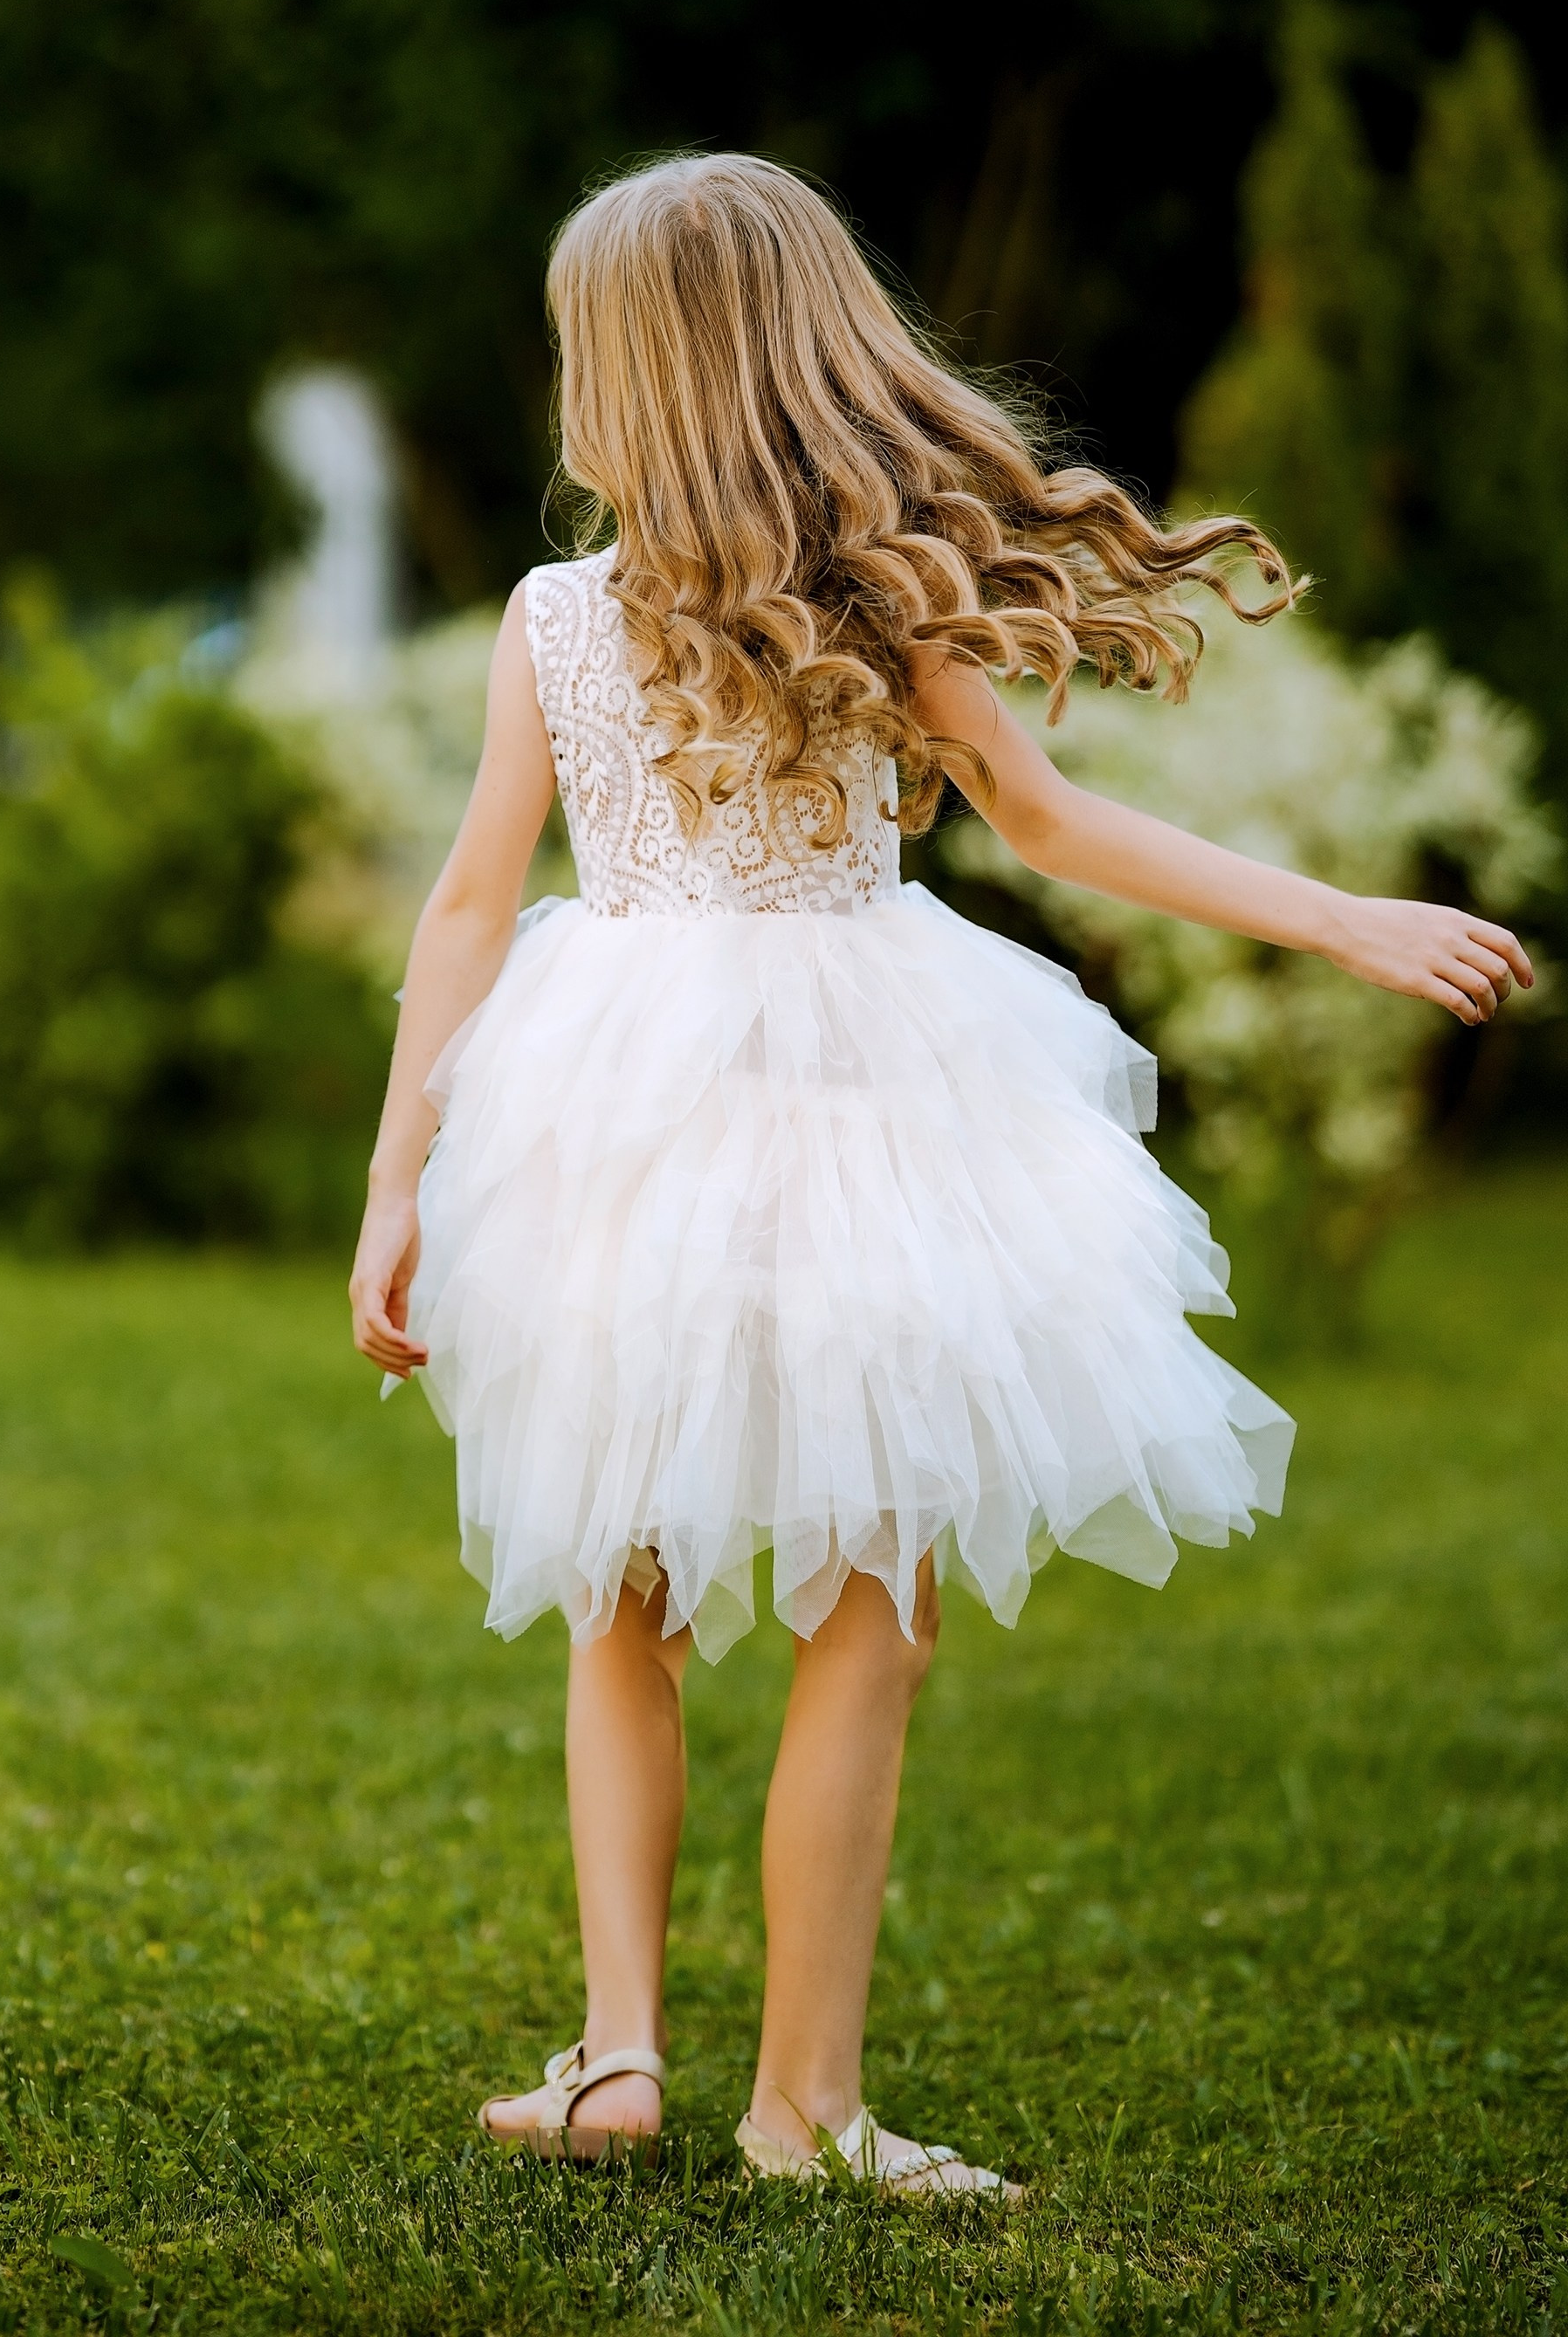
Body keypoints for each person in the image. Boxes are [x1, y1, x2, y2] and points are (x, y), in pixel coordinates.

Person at [348, 155, 1530, 2198]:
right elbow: (1051, 826)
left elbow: (471, 907)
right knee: (864, 1612)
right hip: (860, 1099)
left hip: (607, 1105)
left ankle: (619, 2056)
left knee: (618, 1598)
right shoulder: (877, 597)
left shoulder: (552, 619)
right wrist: (1336, 914)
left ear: (626, 377)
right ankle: (800, 2109)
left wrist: (403, 1181)